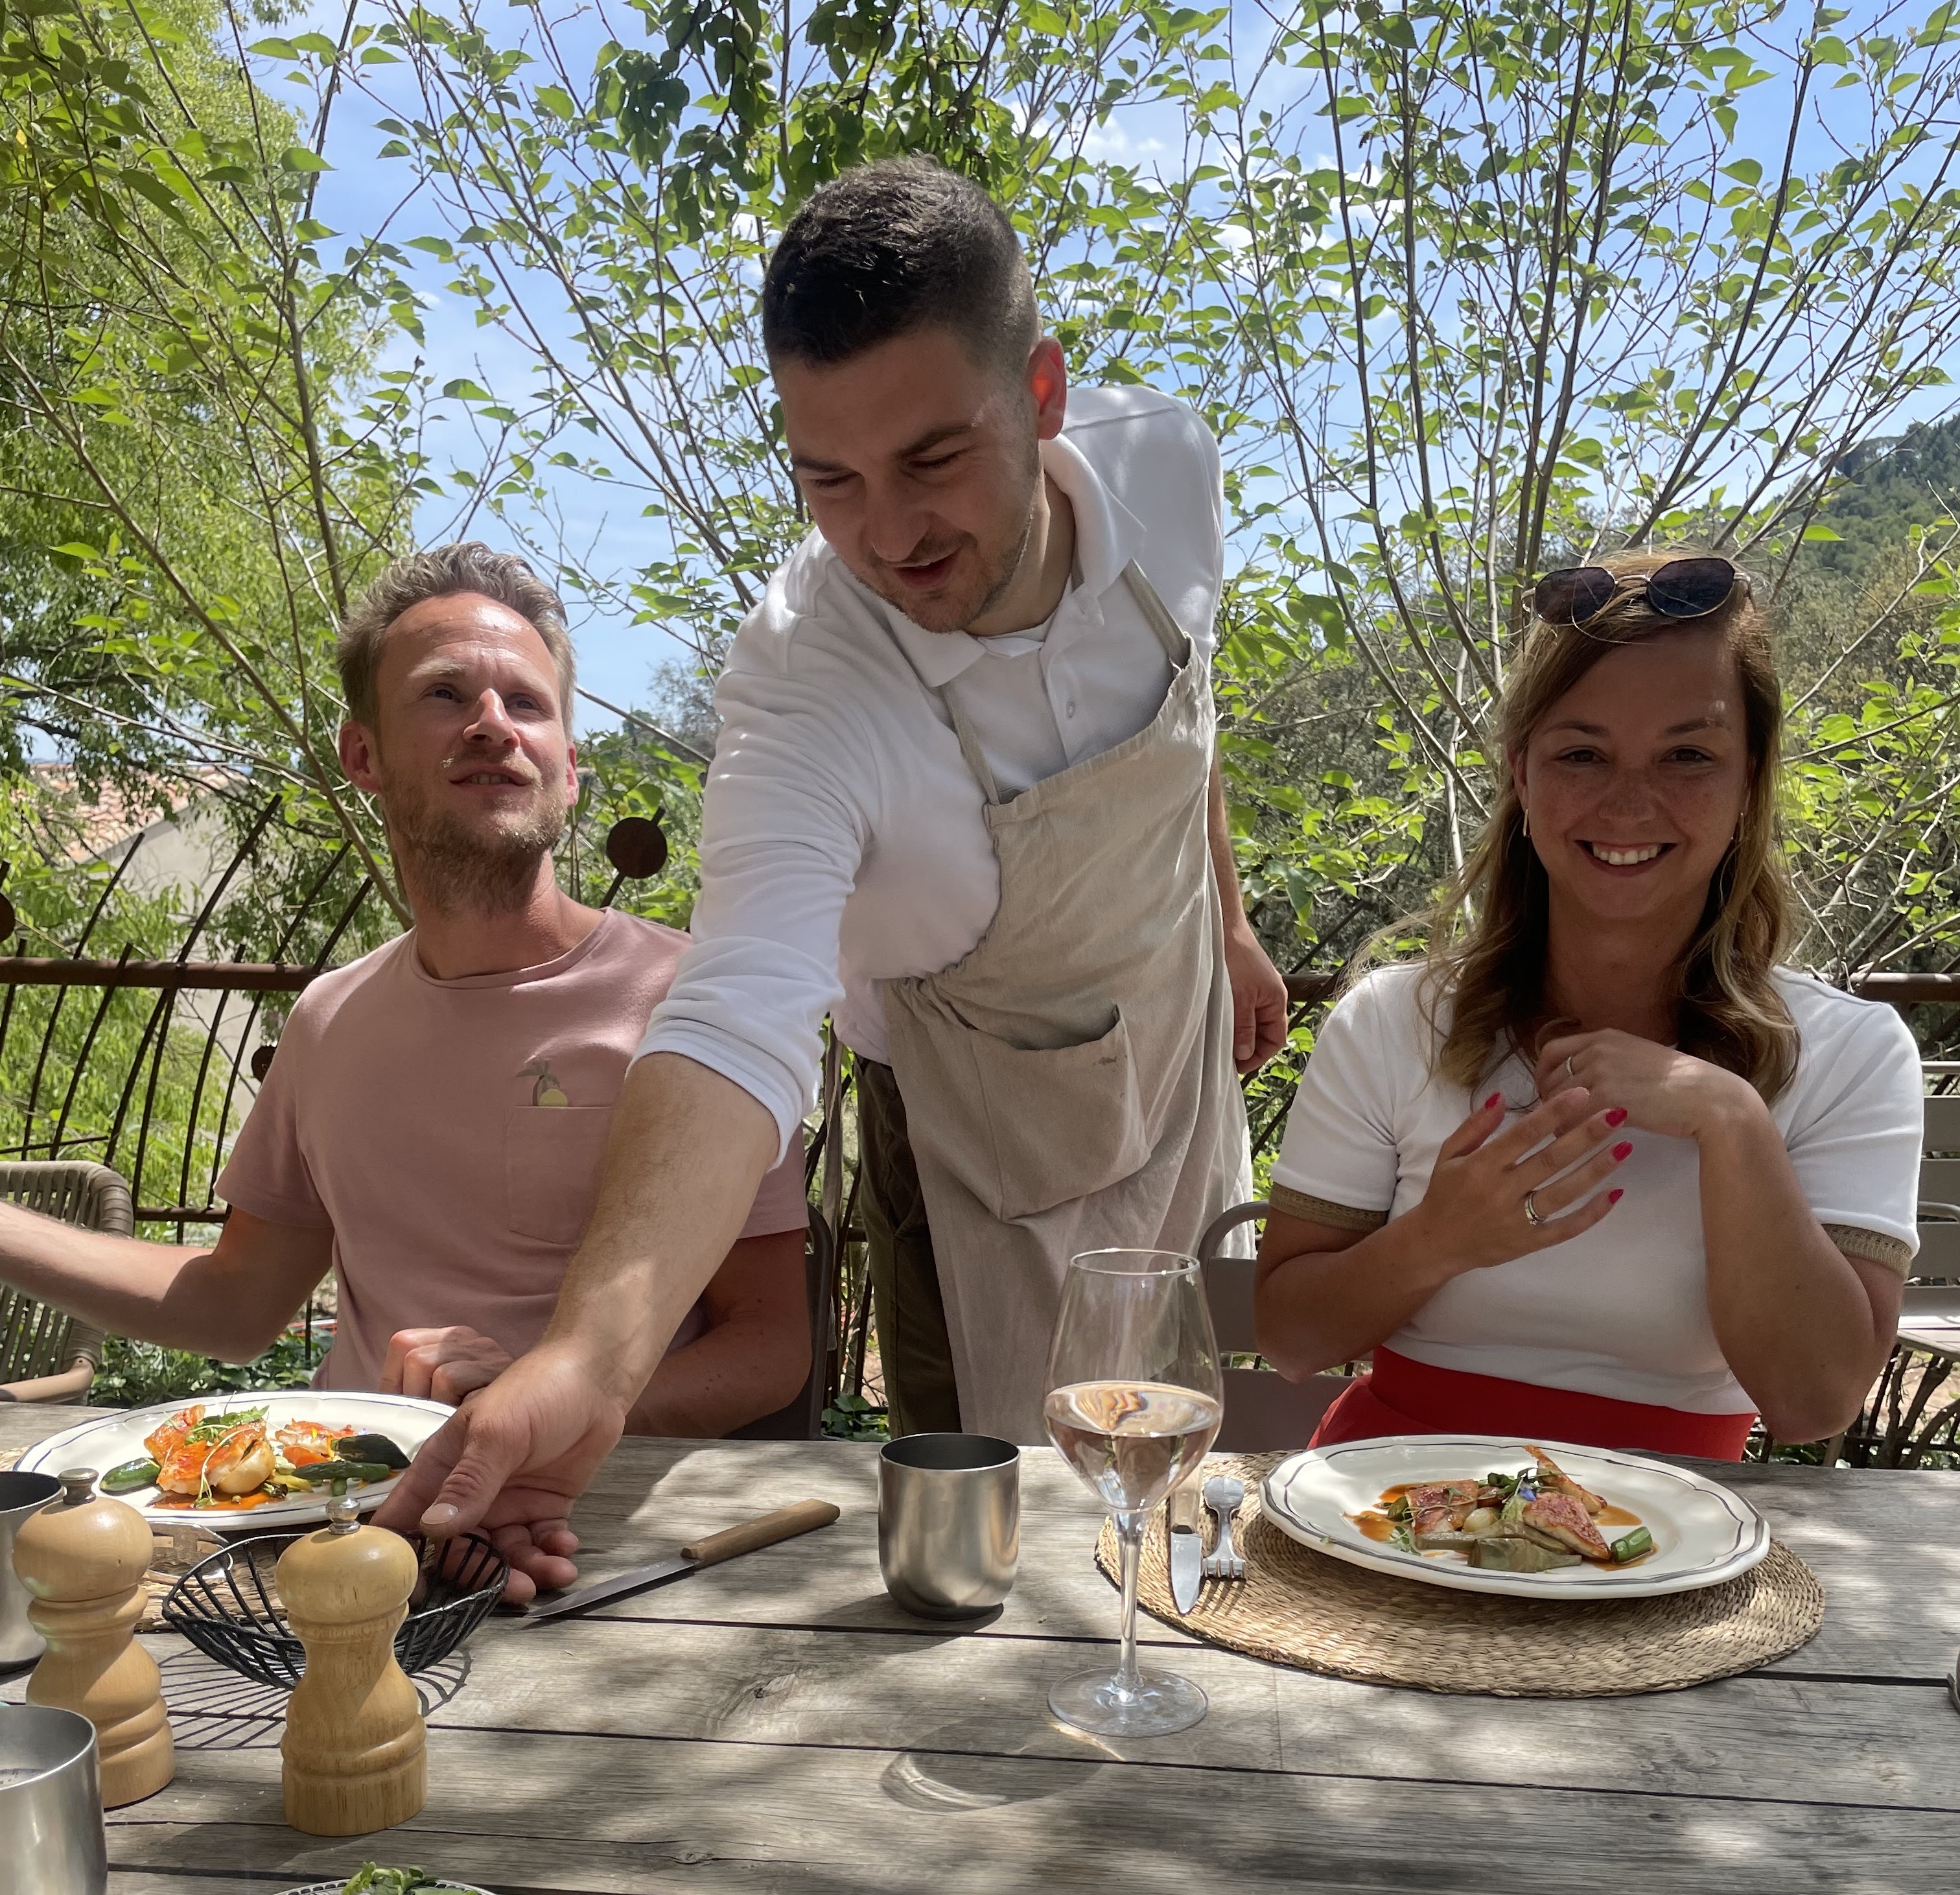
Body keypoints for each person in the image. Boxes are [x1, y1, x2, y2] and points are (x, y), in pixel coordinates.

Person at [381, 158, 1287, 1571]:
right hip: (981, 1139)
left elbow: (1195, 711)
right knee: (1018, 1548)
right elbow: (736, 1010)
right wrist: (593, 1362)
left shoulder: (1169, 462)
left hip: (1180, 1058)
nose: (889, 535)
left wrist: (1225, 920)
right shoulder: (807, 682)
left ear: (1043, 394)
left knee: (1218, 1497)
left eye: (933, 460)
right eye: (830, 480)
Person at [0, 544, 812, 1591]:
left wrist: (548, 1415)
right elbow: (236, 1305)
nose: (493, 723)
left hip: (592, 1545)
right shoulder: (330, 1019)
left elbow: (769, 1345)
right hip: (334, 1532)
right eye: (444, 695)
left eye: (527, 702)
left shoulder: (700, 1014)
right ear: (363, 754)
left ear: (568, 765)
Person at [1252, 552, 1922, 1458]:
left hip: (1683, 1521)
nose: (1629, 803)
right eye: (1582, 755)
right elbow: (1290, 1339)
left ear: (1750, 782)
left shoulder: (1852, 1052)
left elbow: (1816, 1401)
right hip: (1387, 1502)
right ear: (1522, 777)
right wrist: (1439, 1239)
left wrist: (1733, 1123)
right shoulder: (1390, 1021)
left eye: (1687, 756)